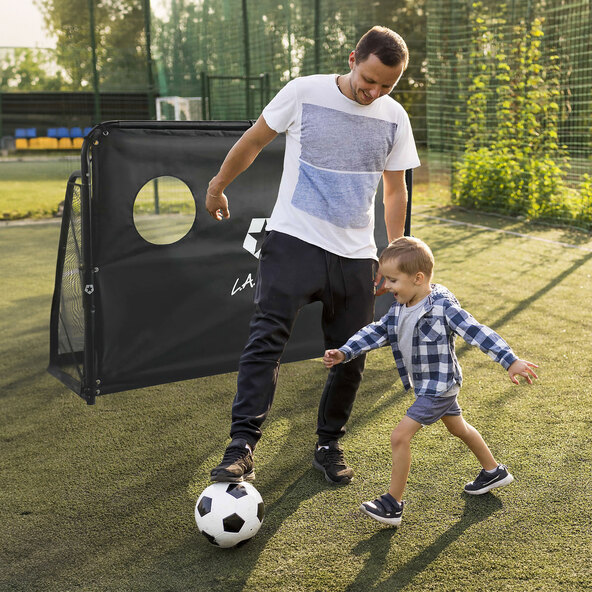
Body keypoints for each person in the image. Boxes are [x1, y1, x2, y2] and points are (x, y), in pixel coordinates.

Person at [206, 26, 421, 485]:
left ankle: (328, 443)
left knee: (351, 354)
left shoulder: (395, 116)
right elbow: (254, 140)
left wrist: (395, 256)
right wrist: (217, 184)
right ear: (351, 59)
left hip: (357, 256)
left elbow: (394, 189)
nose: (374, 91)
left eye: (387, 85)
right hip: (293, 241)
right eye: (370, 79)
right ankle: (241, 446)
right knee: (266, 341)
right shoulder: (303, 92)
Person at [323, 237, 538, 525]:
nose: (386, 287)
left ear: (418, 278)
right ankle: (493, 471)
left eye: (393, 280)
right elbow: (377, 332)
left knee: (400, 436)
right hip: (428, 386)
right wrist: (345, 352)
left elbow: (476, 331)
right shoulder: (399, 307)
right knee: (458, 427)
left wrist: (510, 360)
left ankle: (392, 504)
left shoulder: (442, 306)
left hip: (439, 387)